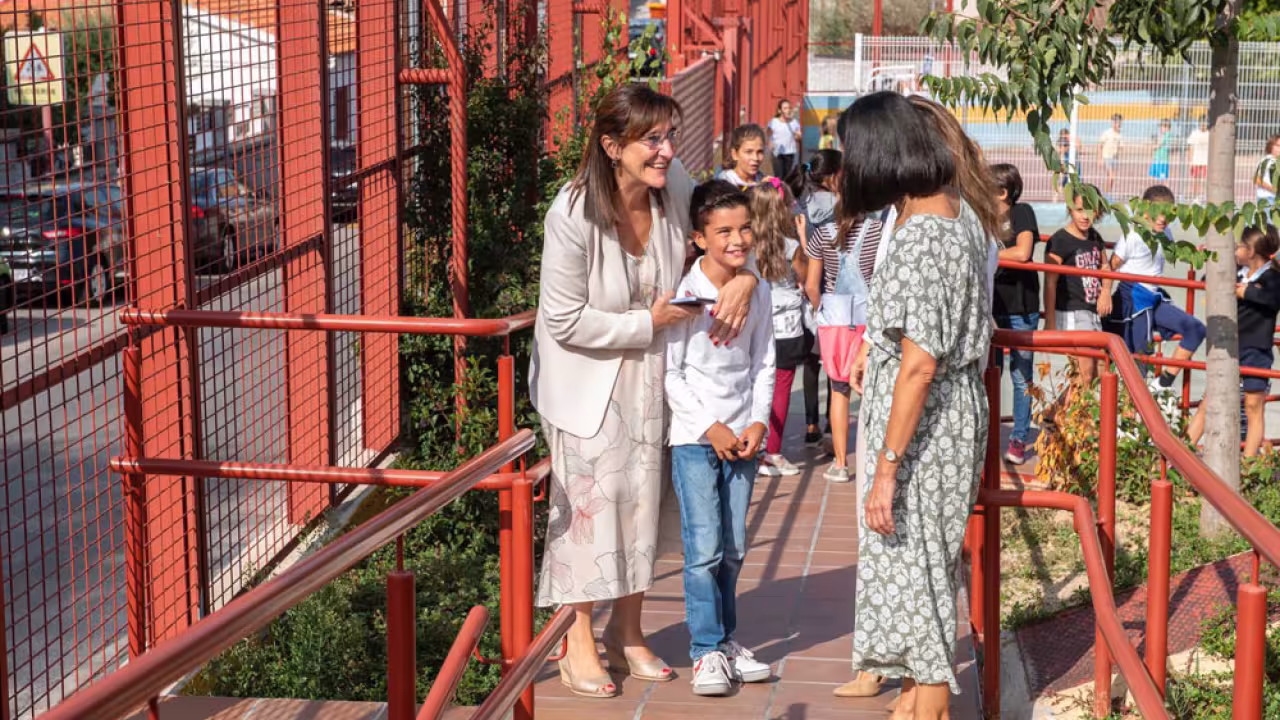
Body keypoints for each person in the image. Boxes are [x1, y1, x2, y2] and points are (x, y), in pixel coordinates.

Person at [530, 84, 760, 699]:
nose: (665, 150)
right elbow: (561, 320)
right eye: (651, 140)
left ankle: (627, 631)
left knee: (643, 502)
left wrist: (746, 277)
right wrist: (647, 324)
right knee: (589, 509)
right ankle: (577, 636)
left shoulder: (673, 184)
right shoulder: (572, 213)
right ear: (612, 146)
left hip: (653, 375)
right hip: (590, 378)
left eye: (668, 136)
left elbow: (728, 232)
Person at [843, 90, 996, 720]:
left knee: (924, 571)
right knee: (914, 567)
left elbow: (921, 363)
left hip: (927, 430)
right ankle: (912, 699)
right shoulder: (947, 212)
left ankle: (926, 705)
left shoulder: (928, 233)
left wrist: (885, 467)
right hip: (932, 418)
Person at [666, 180, 776, 696]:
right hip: (694, 438)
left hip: (743, 438)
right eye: (723, 231)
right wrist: (710, 427)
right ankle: (705, 650)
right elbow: (672, 373)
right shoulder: (686, 296)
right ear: (698, 238)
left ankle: (728, 642)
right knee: (704, 548)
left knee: (733, 548)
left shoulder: (760, 288)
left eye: (745, 228)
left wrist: (757, 422)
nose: (737, 240)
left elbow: (763, 362)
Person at [805, 189, 885, 484]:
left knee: (839, 389)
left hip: (835, 320)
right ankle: (873, 461)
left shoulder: (821, 235)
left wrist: (819, 309)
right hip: (870, 319)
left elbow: (812, 285)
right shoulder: (878, 231)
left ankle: (840, 463)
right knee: (872, 389)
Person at [1188, 225, 1280, 457]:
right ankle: (1182, 454)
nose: (1236, 249)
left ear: (1252, 251)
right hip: (1229, 347)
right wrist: (1214, 258)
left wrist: (1245, 292)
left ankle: (1249, 465)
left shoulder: (1272, 277)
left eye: (1239, 245)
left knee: (1253, 407)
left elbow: (1272, 299)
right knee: (1209, 402)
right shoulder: (1237, 271)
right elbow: (1207, 279)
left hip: (1257, 349)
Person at [1106, 184, 1205, 392]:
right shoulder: (1132, 235)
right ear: (1145, 209)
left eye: (1168, 214)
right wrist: (1104, 294)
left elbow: (1169, 253)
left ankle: (1161, 384)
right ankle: (1128, 419)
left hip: (1154, 296)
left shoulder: (1165, 231)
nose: (1163, 219)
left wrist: (1193, 253)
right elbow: (1110, 265)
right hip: (1132, 295)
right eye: (1158, 213)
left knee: (1196, 329)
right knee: (1138, 363)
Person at [750, 179, 809, 476]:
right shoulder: (791, 247)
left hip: (754, 322)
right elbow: (805, 278)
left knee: (751, 384)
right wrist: (802, 237)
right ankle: (771, 452)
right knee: (781, 388)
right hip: (786, 326)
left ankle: (751, 447)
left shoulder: (746, 245)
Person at [789, 149, 843, 445]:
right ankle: (833, 421)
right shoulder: (842, 206)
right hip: (836, 289)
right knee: (836, 361)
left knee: (812, 360)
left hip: (807, 288)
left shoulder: (800, 204)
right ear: (836, 175)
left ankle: (810, 424)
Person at [990, 163, 1042, 465]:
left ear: (1003, 191)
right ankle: (987, 435)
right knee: (989, 374)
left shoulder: (1022, 213)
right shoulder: (982, 217)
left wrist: (989, 257)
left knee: (1021, 377)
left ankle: (1019, 438)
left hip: (1021, 307)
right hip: (992, 307)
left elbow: (1023, 252)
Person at [1044, 188, 1111, 392]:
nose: (1085, 216)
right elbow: (1050, 282)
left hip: (1092, 312)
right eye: (1079, 209)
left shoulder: (1094, 237)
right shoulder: (1060, 240)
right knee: (1084, 372)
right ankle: (1056, 417)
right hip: (1072, 311)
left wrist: (1106, 291)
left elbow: (1105, 267)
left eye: (1090, 210)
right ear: (1070, 209)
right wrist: (1050, 322)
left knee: (1100, 369)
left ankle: (1058, 416)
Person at [719, 124, 767, 188]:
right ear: (735, 154)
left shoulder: (763, 180)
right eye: (749, 152)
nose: (755, 158)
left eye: (760, 152)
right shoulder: (725, 183)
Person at [768, 99, 802, 180]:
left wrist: (798, 136)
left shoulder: (794, 122)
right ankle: (777, 191)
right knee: (778, 176)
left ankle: (785, 191)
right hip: (777, 152)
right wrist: (769, 143)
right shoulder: (774, 122)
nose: (788, 110)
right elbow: (768, 134)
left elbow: (799, 137)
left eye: (789, 108)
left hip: (790, 153)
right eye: (785, 108)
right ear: (780, 110)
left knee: (787, 177)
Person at [1187, 116, 1209, 200]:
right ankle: (1196, 196)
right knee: (1196, 179)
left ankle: (1205, 196)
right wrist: (1190, 161)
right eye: (1201, 123)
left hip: (1206, 161)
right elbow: (1190, 147)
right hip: (1196, 160)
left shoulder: (1210, 133)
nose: (1203, 125)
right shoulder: (1194, 133)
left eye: (1205, 123)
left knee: (1206, 180)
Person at [1100, 113, 1122, 195]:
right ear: (1113, 122)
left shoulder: (1119, 134)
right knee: (1111, 176)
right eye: (1116, 122)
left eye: (1120, 122)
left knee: (1111, 177)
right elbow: (1100, 145)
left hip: (1115, 158)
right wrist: (1100, 158)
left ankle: (1108, 192)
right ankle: (1107, 193)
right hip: (1107, 157)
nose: (1118, 124)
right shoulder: (1107, 132)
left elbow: (1120, 146)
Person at [1255, 134, 1280, 202]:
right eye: (1277, 146)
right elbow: (1257, 179)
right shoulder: (1266, 161)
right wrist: (1273, 189)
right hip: (1267, 198)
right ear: (1271, 146)